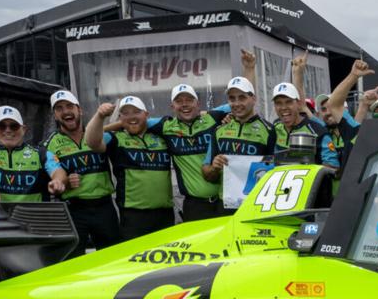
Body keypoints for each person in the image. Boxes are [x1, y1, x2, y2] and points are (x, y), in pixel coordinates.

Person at [84, 96, 175, 240]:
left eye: (136, 112)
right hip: (133, 217)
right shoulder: (116, 138)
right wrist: (100, 116)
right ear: (120, 118)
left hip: (165, 214)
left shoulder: (161, 135)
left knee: (169, 262)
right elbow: (91, 142)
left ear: (146, 114)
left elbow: (180, 119)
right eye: (125, 113)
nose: (131, 116)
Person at [43, 90, 120, 257]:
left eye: (70, 106)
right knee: (73, 262)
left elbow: (120, 128)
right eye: (59, 108)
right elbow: (55, 172)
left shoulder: (98, 134)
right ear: (55, 116)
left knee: (113, 259)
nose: (65, 112)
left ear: (80, 110)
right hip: (74, 210)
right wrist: (64, 183)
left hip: (104, 208)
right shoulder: (49, 145)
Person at [144, 82, 229, 222]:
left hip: (224, 201)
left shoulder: (213, 118)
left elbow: (242, 102)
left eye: (189, 100)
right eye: (179, 101)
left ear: (198, 103)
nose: (184, 104)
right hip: (195, 206)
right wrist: (104, 128)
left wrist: (249, 68)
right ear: (172, 107)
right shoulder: (166, 125)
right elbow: (134, 120)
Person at [0, 106, 66, 203]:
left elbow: (58, 171)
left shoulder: (41, 154)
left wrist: (58, 181)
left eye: (14, 126)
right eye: (2, 126)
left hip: (34, 217)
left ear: (24, 129)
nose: (8, 130)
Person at [202, 76, 275, 206]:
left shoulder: (269, 130)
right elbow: (208, 175)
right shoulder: (219, 131)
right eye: (232, 98)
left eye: (242, 98)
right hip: (225, 206)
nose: (236, 103)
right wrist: (214, 168)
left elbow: (278, 171)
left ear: (253, 99)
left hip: (257, 205)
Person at [271, 81, 336, 166]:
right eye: (278, 103)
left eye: (288, 102)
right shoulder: (274, 128)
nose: (283, 107)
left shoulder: (318, 130)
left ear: (298, 103)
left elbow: (333, 166)